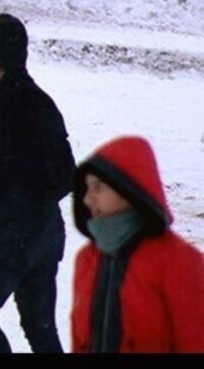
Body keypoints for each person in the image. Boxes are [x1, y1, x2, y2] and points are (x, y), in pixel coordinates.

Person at [0, 14, 75, 353]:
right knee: (40, 328)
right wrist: (38, 201)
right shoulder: (45, 102)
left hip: (9, 232)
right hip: (47, 231)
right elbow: (67, 172)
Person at [71, 135, 204, 353]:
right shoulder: (87, 258)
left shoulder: (179, 261)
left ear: (128, 190)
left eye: (98, 187)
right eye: (87, 188)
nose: (87, 199)